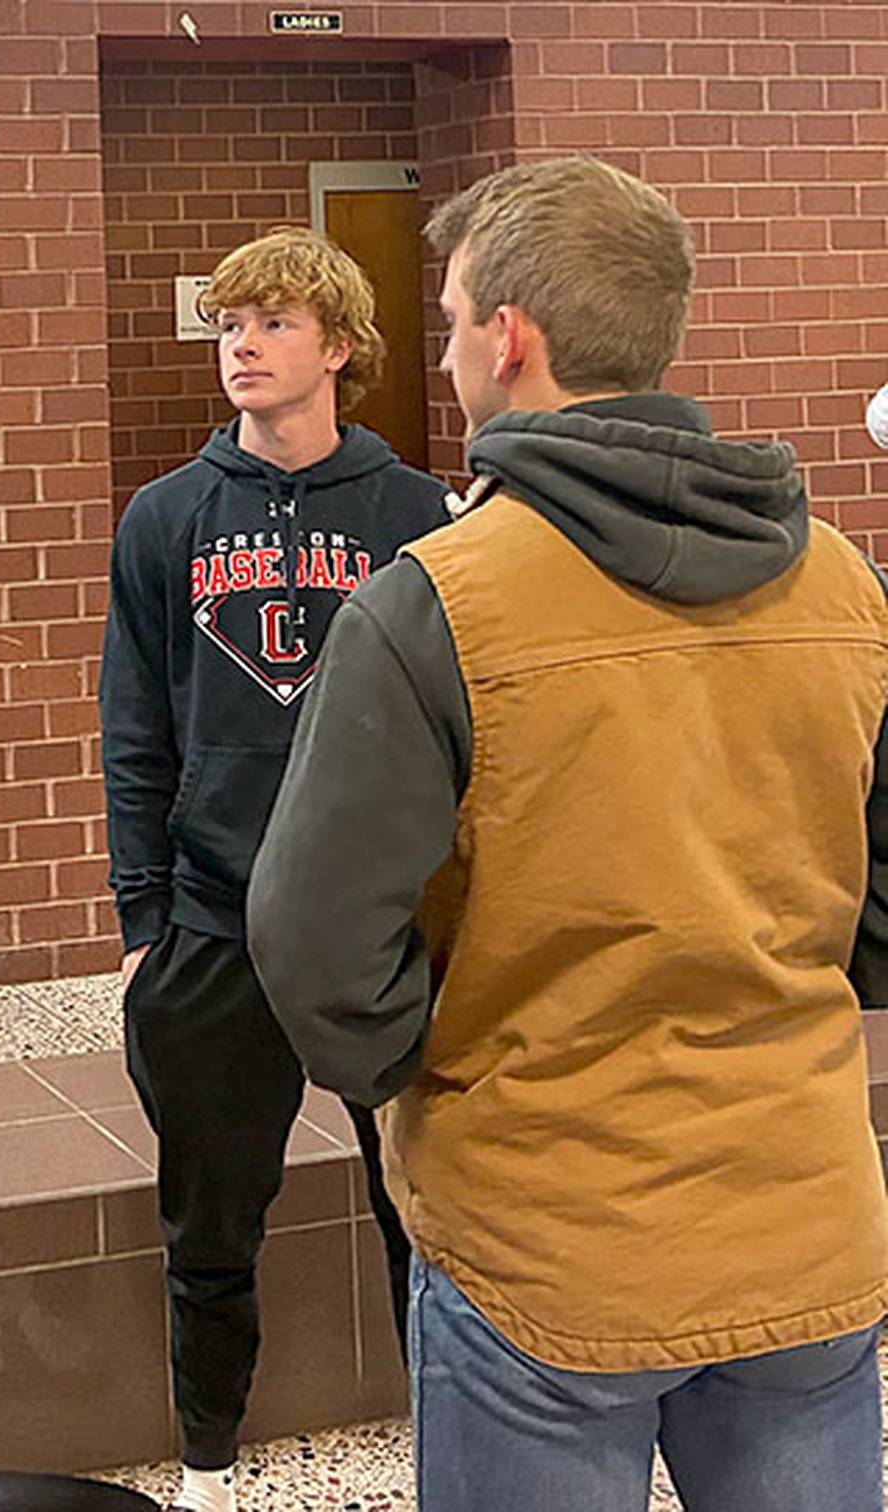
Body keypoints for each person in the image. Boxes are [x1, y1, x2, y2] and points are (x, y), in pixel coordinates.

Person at [247, 155, 888, 1512]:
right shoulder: (849, 584)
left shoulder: (434, 603)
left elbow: (313, 939)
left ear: (507, 337)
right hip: (803, 1221)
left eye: (456, 311)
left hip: (544, 1243)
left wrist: (433, 1077)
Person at [100, 225, 448, 1512]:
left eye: (273, 324)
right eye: (228, 325)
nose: (240, 345)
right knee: (209, 1226)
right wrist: (145, 922)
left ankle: (446, 1454)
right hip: (211, 924)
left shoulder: (416, 512)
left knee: (422, 1213)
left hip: (374, 923)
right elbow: (134, 725)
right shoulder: (166, 516)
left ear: (340, 349)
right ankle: (207, 1466)